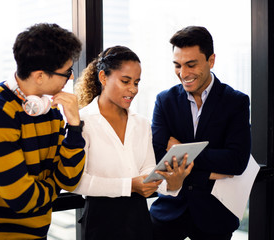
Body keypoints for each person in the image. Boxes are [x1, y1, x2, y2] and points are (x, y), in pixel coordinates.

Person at [0, 23, 85, 240]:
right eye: (67, 72)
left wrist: (74, 126)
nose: (71, 78)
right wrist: (54, 184)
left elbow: (70, 180)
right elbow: (23, 200)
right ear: (40, 76)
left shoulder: (51, 109)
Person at [73, 45, 193, 240]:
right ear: (103, 78)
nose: (133, 89)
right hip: (100, 223)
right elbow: (76, 182)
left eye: (136, 82)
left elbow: (148, 170)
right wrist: (129, 186)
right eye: (125, 81)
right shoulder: (81, 123)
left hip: (139, 221)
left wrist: (172, 184)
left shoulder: (142, 123)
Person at [149, 26, 251, 240]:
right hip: (167, 213)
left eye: (191, 64)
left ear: (211, 60)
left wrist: (180, 150)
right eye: (177, 65)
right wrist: (208, 173)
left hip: (214, 215)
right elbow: (158, 158)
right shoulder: (164, 101)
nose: (183, 73)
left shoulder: (236, 102)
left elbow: (236, 161)